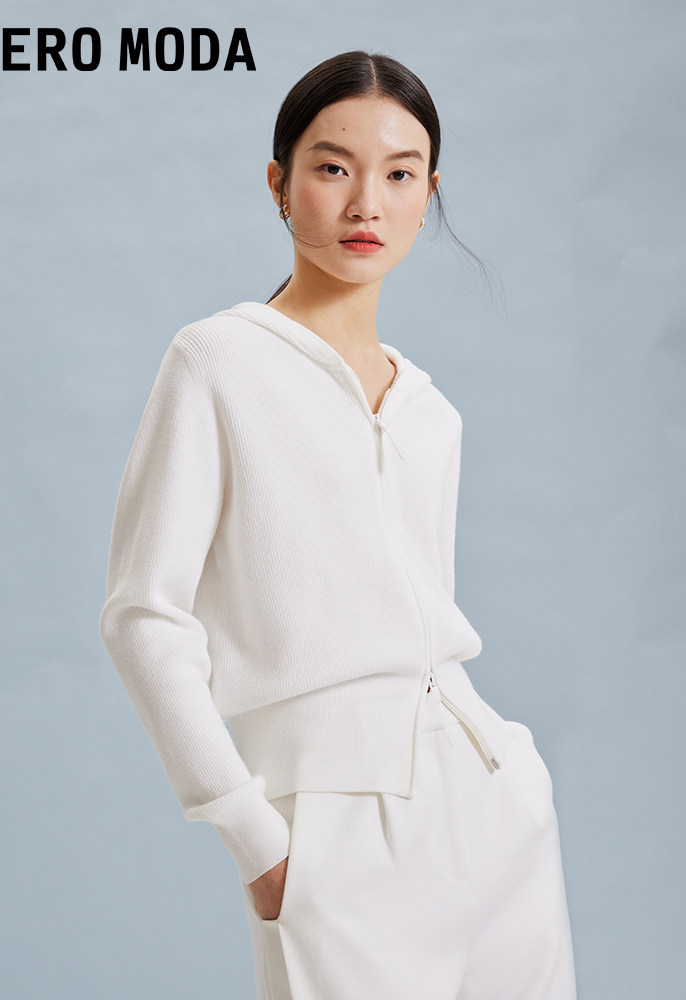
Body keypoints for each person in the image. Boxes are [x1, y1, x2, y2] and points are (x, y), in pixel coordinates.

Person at [99, 50, 577, 1000]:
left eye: (400, 174)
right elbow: (143, 618)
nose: (367, 203)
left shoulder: (430, 410)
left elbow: (418, 628)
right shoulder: (217, 361)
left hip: (494, 803)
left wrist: (519, 783)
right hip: (332, 825)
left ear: (428, 194)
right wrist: (252, 833)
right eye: (332, 167)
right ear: (279, 184)